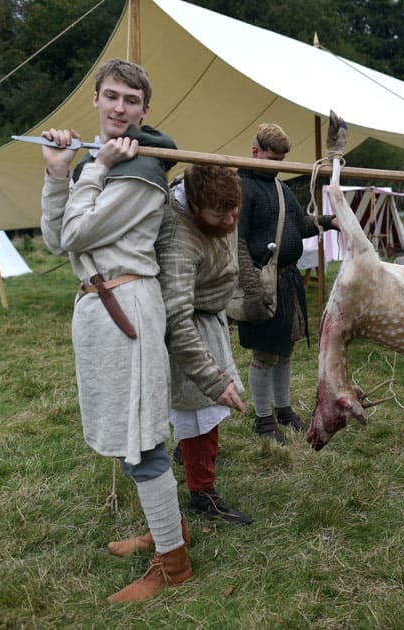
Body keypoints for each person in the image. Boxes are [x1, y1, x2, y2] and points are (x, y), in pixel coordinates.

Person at [39, 58, 190, 603]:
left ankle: (173, 563)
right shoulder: (98, 163)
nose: (120, 108)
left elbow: (78, 233)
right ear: (97, 101)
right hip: (98, 309)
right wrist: (60, 175)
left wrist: (96, 169)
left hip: (127, 303)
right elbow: (56, 242)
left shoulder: (142, 167)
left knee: (142, 439)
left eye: (131, 100)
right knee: (132, 433)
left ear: (145, 109)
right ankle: (165, 528)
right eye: (111, 97)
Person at [155, 164, 252, 525]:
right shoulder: (177, 240)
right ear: (195, 207)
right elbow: (175, 318)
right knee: (198, 412)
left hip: (211, 317)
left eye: (235, 211)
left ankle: (197, 464)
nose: (230, 219)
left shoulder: (222, 204)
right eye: (220, 213)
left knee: (205, 416)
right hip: (187, 330)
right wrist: (211, 378)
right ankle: (202, 492)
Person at [236, 123, 337, 444]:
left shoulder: (282, 189)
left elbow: (299, 224)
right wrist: (251, 289)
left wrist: (328, 222)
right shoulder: (243, 187)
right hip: (261, 283)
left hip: (288, 282)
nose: (277, 165)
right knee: (264, 355)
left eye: (281, 160)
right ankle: (264, 419)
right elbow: (236, 242)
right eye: (272, 158)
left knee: (285, 351)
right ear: (255, 152)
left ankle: (283, 409)